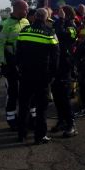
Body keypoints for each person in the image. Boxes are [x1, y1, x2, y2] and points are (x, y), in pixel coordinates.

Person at [16, 8, 59, 145]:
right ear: (46, 19)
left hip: (26, 74)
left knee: (23, 105)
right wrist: (53, 74)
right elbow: (55, 57)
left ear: (34, 17)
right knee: (42, 107)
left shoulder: (24, 31)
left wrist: (20, 69)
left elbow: (18, 53)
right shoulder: (50, 33)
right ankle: (39, 136)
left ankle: (21, 134)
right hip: (43, 75)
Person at [0, 0, 30, 129]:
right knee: (13, 92)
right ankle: (11, 119)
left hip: (25, 63)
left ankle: (26, 117)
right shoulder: (4, 25)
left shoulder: (26, 22)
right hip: (11, 63)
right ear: (17, 9)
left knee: (26, 92)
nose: (27, 11)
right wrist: (2, 63)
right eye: (25, 9)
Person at [51, 5, 78, 137]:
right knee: (56, 95)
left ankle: (71, 124)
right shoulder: (59, 23)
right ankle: (61, 121)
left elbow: (61, 35)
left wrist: (61, 20)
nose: (57, 15)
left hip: (65, 66)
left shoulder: (72, 26)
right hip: (56, 65)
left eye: (61, 14)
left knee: (65, 97)